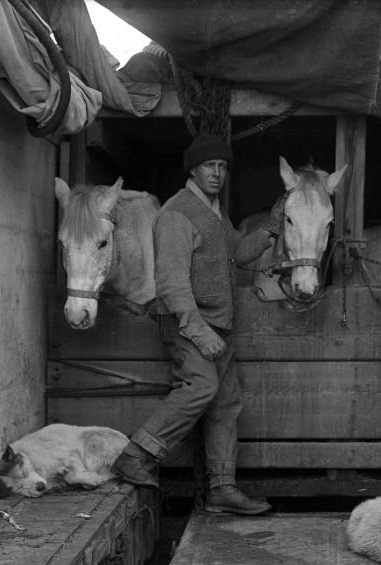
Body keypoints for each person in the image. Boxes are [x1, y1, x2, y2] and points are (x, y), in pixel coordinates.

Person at [112, 134, 282, 515]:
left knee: (226, 404)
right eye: (210, 166)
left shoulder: (215, 213)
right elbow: (171, 282)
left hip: (219, 324)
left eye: (223, 167)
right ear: (193, 169)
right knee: (201, 386)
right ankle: (135, 454)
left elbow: (236, 253)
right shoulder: (177, 213)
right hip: (191, 325)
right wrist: (199, 331)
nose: (218, 173)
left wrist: (270, 229)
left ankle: (222, 488)